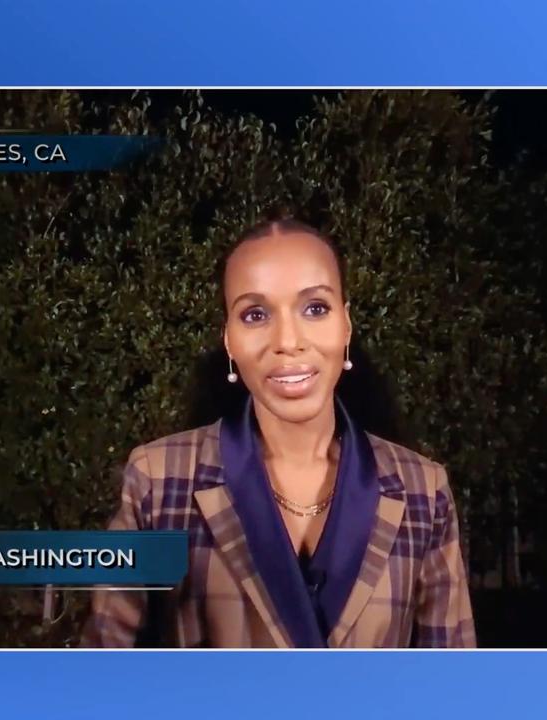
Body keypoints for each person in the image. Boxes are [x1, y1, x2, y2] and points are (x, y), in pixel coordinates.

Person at [81, 214, 476, 647]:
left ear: (346, 325)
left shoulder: (422, 489)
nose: (288, 340)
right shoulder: (159, 482)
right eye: (255, 314)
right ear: (229, 340)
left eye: (315, 308)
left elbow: (449, 683)